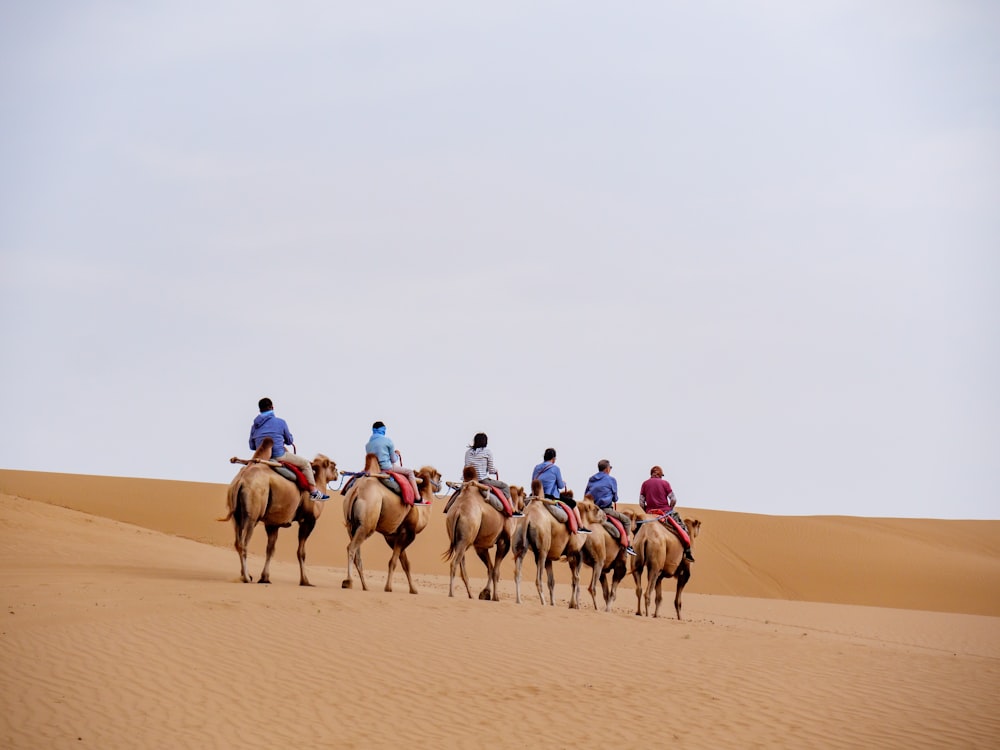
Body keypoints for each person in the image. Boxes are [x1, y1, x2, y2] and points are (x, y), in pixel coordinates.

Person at [249, 397, 329, 501]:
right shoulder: (280, 422)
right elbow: (289, 440)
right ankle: (313, 492)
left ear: (260, 410)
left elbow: (252, 446)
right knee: (305, 464)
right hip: (278, 455)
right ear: (272, 407)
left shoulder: (254, 426)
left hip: (262, 457)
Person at [639, 465, 694, 562]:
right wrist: (670, 509)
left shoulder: (644, 484)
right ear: (660, 474)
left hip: (650, 513)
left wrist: (647, 511)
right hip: (664, 512)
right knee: (683, 528)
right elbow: (673, 499)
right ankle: (687, 552)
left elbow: (641, 502)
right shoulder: (665, 483)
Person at [464, 432, 523, 518]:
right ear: (485, 442)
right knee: (505, 486)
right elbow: (491, 470)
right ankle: (512, 509)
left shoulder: (468, 452)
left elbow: (466, 466)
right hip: (482, 480)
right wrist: (495, 471)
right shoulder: (487, 452)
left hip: (468, 480)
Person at [584, 459, 636, 556]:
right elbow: (615, 498)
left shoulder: (591, 479)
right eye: (610, 468)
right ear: (607, 469)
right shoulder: (611, 480)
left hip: (592, 510)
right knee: (627, 521)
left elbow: (586, 494)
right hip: (605, 510)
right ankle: (628, 545)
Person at [532, 448, 590, 533]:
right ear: (553, 459)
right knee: (572, 503)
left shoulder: (536, 467)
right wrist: (564, 483)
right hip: (549, 496)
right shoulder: (555, 468)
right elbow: (560, 486)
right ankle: (580, 526)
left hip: (536, 495)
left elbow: (533, 481)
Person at [365, 421, 420, 500]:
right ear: (383, 430)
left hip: (374, 470)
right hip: (387, 468)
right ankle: (418, 497)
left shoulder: (368, 445)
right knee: (410, 472)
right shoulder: (387, 441)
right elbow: (393, 460)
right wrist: (397, 454)